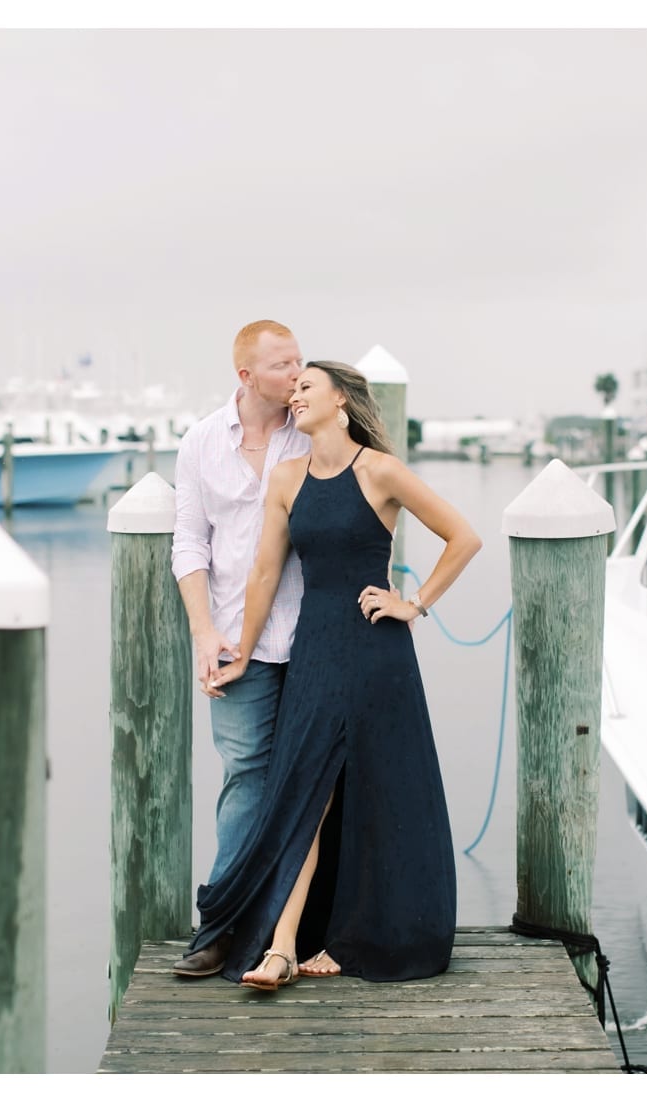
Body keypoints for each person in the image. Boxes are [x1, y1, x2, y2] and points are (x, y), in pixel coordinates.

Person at [186, 360, 482, 990]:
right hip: (314, 649)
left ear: (340, 401)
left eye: (306, 387)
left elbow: (463, 537)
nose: (294, 395)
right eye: (292, 388)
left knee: (379, 790)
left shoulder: (379, 470)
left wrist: (414, 601)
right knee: (306, 792)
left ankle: (354, 937)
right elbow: (264, 573)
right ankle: (284, 943)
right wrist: (240, 649)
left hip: (377, 653)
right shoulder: (287, 479)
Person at [168, 320, 310, 978]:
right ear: (247, 377)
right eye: (283, 365)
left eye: (300, 362)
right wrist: (203, 630)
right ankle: (220, 925)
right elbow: (190, 543)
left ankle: (301, 930)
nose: (296, 374)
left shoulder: (313, 429)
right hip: (234, 638)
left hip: (314, 632)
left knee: (317, 778)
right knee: (246, 777)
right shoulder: (201, 441)